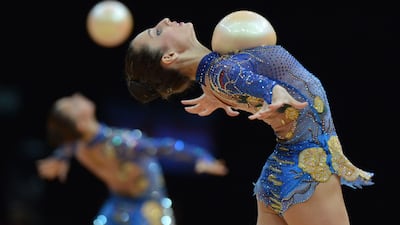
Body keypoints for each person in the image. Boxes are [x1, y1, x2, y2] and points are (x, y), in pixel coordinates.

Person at [123, 17, 374, 225]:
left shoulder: (214, 78)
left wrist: (224, 97)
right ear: (169, 57)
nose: (164, 21)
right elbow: (254, 82)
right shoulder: (222, 74)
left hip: (280, 176)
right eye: (157, 32)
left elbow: (239, 78)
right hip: (306, 173)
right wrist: (273, 92)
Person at [36, 93, 228, 225]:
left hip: (148, 209)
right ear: (80, 123)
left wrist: (59, 158)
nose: (77, 96)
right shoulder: (119, 143)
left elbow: (163, 147)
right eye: (73, 103)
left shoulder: (76, 146)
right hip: (119, 206)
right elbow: (164, 147)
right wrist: (200, 156)